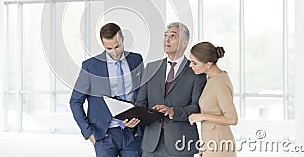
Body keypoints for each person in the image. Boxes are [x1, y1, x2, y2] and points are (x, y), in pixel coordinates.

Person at [127, 22, 207, 157]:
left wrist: (173, 111)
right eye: (165, 36)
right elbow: (141, 102)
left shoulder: (196, 71)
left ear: (184, 43)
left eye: (173, 36)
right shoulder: (151, 68)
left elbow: (197, 107)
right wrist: (132, 118)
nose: (167, 40)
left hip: (180, 143)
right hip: (151, 144)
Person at [69, 22, 144, 157]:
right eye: (109, 48)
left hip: (133, 133)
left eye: (117, 46)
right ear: (103, 45)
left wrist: (140, 122)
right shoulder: (90, 66)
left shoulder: (136, 60)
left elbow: (143, 94)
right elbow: (75, 101)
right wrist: (89, 133)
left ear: (122, 39)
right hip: (105, 135)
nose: (115, 52)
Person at [188, 42, 238, 157]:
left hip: (220, 147)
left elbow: (232, 119)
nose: (191, 65)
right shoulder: (211, 79)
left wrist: (202, 116)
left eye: (194, 63)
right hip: (212, 145)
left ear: (208, 64)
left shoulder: (220, 83)